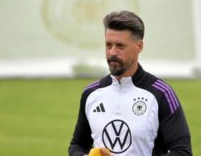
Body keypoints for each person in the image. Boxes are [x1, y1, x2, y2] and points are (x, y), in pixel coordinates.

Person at [68, 11, 192, 156]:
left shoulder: (161, 94)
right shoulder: (91, 94)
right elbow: (77, 145)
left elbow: (183, 152)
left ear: (139, 46)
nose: (112, 52)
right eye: (108, 45)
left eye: (120, 46)